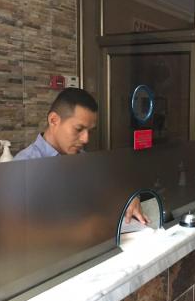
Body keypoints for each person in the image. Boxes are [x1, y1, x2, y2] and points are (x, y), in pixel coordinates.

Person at [15, 88, 148, 225]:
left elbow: (109, 187)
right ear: (54, 120)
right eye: (78, 129)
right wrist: (78, 233)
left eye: (89, 131)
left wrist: (130, 197)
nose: (86, 139)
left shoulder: (83, 159)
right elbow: (10, 230)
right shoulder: (23, 166)